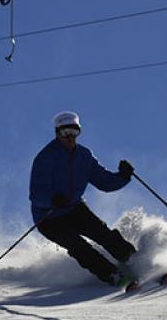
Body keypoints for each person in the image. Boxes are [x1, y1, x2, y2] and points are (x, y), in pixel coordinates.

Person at [29, 111, 138, 287]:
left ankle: (136, 263)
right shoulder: (46, 157)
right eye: (66, 133)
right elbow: (36, 194)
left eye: (75, 132)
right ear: (57, 133)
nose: (70, 137)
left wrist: (124, 176)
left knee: (104, 234)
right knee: (79, 247)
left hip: (74, 209)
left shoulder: (84, 156)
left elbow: (104, 182)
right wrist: (52, 200)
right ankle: (113, 276)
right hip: (49, 217)